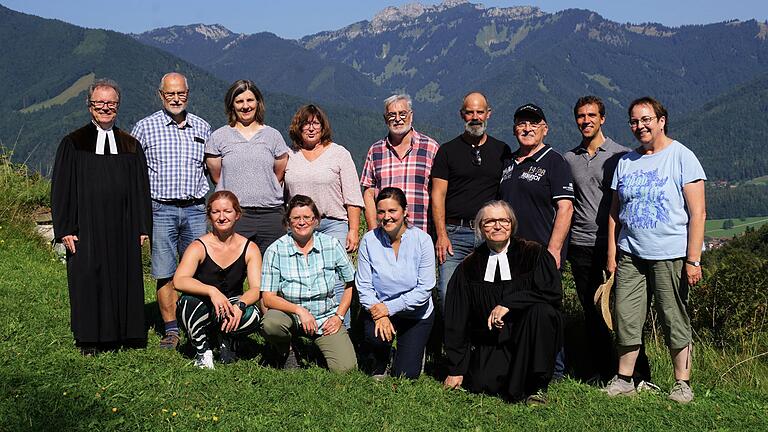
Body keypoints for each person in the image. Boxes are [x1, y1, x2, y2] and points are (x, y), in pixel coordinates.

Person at [603, 97, 706, 404]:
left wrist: (693, 259)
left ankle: (682, 383)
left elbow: (697, 212)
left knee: (673, 316)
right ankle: (625, 379)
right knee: (626, 316)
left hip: (670, 253)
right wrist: (612, 252)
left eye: (646, 119)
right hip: (631, 253)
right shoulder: (626, 161)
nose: (640, 126)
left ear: (662, 120)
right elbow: (614, 211)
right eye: (634, 121)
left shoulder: (681, 157)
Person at [51, 78, 151, 355]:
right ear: (89, 106)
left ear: (118, 106)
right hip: (86, 224)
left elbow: (141, 188)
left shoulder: (130, 144)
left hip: (123, 224)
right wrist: (65, 228)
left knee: (124, 276)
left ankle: (127, 334)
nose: (105, 108)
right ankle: (89, 338)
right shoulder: (74, 143)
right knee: (87, 277)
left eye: (111, 103)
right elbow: (62, 188)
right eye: (100, 103)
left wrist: (142, 226)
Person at [563, 96, 655, 386]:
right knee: (592, 311)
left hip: (618, 244)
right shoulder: (569, 159)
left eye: (592, 115)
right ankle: (601, 372)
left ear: (602, 118)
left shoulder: (621, 156)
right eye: (581, 116)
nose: (586, 120)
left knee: (626, 312)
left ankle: (638, 373)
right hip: (580, 244)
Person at [443, 201, 562, 404]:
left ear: (512, 224)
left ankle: (537, 386)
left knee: (543, 311)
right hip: (492, 342)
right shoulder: (469, 266)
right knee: (482, 383)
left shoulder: (534, 253)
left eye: (503, 220)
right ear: (480, 227)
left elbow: (552, 293)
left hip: (528, 339)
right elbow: (457, 319)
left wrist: (509, 303)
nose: (497, 226)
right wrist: (456, 369)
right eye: (489, 221)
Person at [131, 72, 212, 350]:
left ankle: (196, 323)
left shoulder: (203, 127)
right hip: (160, 208)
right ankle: (171, 329)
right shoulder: (144, 128)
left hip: (196, 209)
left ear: (188, 94)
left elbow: (211, 170)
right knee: (165, 271)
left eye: (181, 94)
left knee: (199, 271)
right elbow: (133, 174)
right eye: (170, 94)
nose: (176, 99)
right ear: (160, 95)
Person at [499, 103, 573, 379]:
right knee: (515, 306)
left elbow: (565, 208)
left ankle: (555, 370)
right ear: (514, 129)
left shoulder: (555, 162)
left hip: (541, 250)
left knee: (545, 310)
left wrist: (553, 249)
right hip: (510, 251)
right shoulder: (508, 162)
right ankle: (519, 362)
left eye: (533, 123)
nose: (527, 128)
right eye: (521, 123)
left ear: (545, 129)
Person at [284, 104, 364, 327]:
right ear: (297, 128)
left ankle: (342, 328)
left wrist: (353, 230)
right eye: (305, 124)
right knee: (298, 277)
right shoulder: (289, 155)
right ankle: (303, 330)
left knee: (338, 278)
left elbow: (352, 196)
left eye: (315, 124)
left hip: (332, 224)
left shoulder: (339, 154)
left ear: (323, 127)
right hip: (298, 226)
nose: (311, 129)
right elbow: (281, 193)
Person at [431, 92, 511, 309]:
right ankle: (455, 342)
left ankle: (485, 341)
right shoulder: (447, 151)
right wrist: (441, 235)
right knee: (449, 292)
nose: (475, 117)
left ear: (488, 114)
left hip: (490, 233)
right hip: (454, 234)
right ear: (462, 115)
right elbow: (437, 194)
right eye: (470, 112)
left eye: (480, 112)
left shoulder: (502, 150)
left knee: (491, 293)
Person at [260, 195, 357, 372]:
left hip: (325, 316)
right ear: (288, 222)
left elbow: (351, 282)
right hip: (290, 316)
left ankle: (320, 347)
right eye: (296, 218)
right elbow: (268, 298)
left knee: (346, 368)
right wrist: (299, 311)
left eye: (307, 217)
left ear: (316, 221)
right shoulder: (275, 249)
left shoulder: (332, 244)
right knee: (271, 323)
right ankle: (287, 349)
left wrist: (339, 316)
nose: (302, 222)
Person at [172, 191, 262, 369]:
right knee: (187, 303)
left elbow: (256, 288)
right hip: (203, 304)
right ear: (209, 216)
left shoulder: (250, 248)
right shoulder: (198, 246)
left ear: (237, 214)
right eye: (216, 212)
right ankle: (202, 351)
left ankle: (228, 340)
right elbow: (179, 280)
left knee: (253, 315)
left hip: (231, 305)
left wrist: (240, 305)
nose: (222, 217)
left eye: (227, 211)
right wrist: (212, 291)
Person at [356, 187, 436, 379]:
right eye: (381, 211)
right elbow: (364, 286)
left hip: (416, 313)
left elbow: (424, 289)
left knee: (405, 375)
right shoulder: (369, 241)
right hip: (379, 310)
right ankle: (382, 358)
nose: (386, 217)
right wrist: (380, 313)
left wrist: (388, 308)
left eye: (393, 211)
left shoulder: (422, 240)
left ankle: (413, 354)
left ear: (405, 211)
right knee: (376, 340)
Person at [205, 79, 290, 254]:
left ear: (258, 103)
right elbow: (217, 176)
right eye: (239, 101)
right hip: (235, 215)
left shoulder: (273, 136)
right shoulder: (219, 137)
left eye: (250, 100)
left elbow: (278, 173)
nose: (245, 106)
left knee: (271, 270)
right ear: (232, 105)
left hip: (271, 214)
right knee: (231, 270)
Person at [360, 94, 439, 233]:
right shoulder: (376, 150)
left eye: (402, 114)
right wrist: (373, 229)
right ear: (385, 119)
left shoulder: (430, 148)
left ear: (411, 115)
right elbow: (368, 192)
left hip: (422, 231)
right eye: (392, 115)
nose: (397, 119)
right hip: (385, 232)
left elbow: (439, 191)